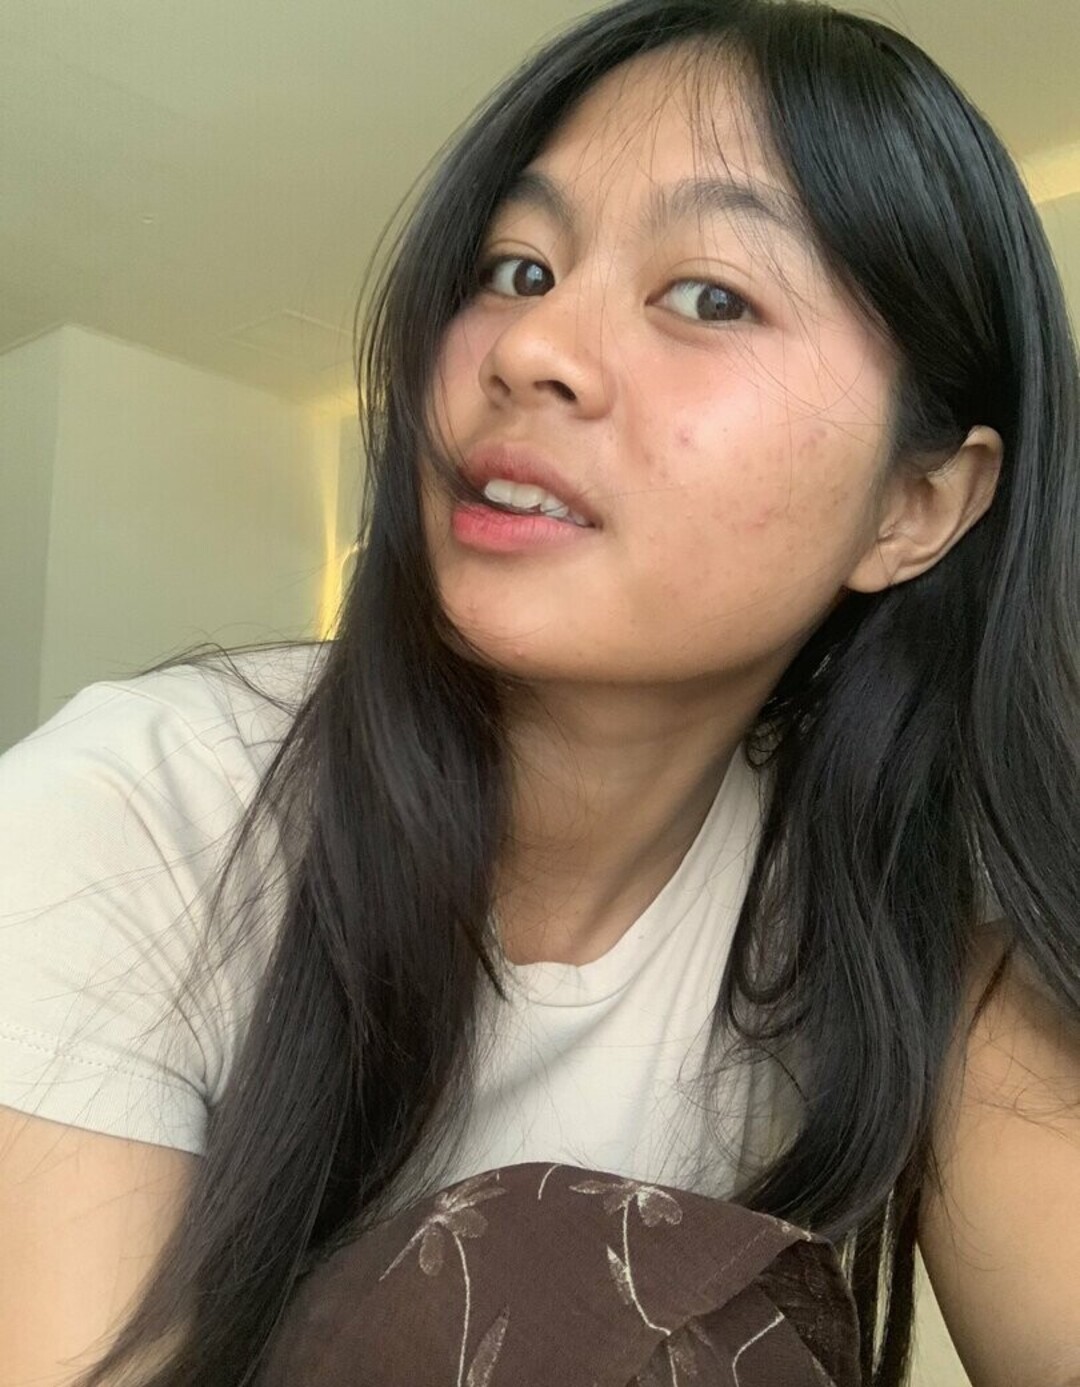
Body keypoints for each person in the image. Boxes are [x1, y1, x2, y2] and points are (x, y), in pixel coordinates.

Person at [2, 0, 1078, 1383]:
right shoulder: (134, 820)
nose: (528, 348)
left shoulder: (910, 931)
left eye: (711, 297)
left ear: (916, 505)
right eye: (517, 269)